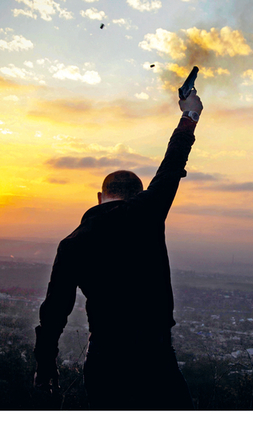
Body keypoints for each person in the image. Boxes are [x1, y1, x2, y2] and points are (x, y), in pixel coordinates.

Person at [34, 89, 203, 410]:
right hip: (155, 356)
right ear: (139, 194)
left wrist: (45, 369)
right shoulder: (146, 212)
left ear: (100, 196)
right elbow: (171, 166)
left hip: (104, 360)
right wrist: (190, 113)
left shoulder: (73, 243)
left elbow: (55, 312)